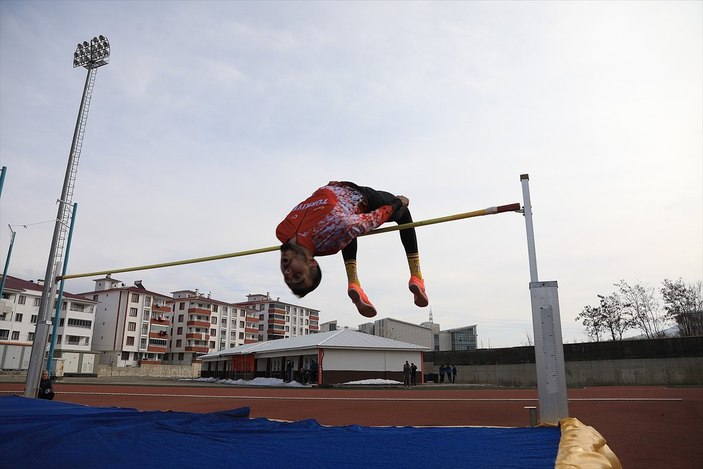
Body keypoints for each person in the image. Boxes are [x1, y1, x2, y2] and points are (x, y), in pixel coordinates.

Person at [277, 181, 429, 317]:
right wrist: (398, 202)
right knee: (404, 215)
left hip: (337, 195)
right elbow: (376, 217)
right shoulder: (338, 226)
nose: (288, 274)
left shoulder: (282, 231)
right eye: (298, 276)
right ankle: (416, 276)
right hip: (357, 196)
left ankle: (354, 283)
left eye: (288, 278)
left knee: (344, 233)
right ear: (311, 263)